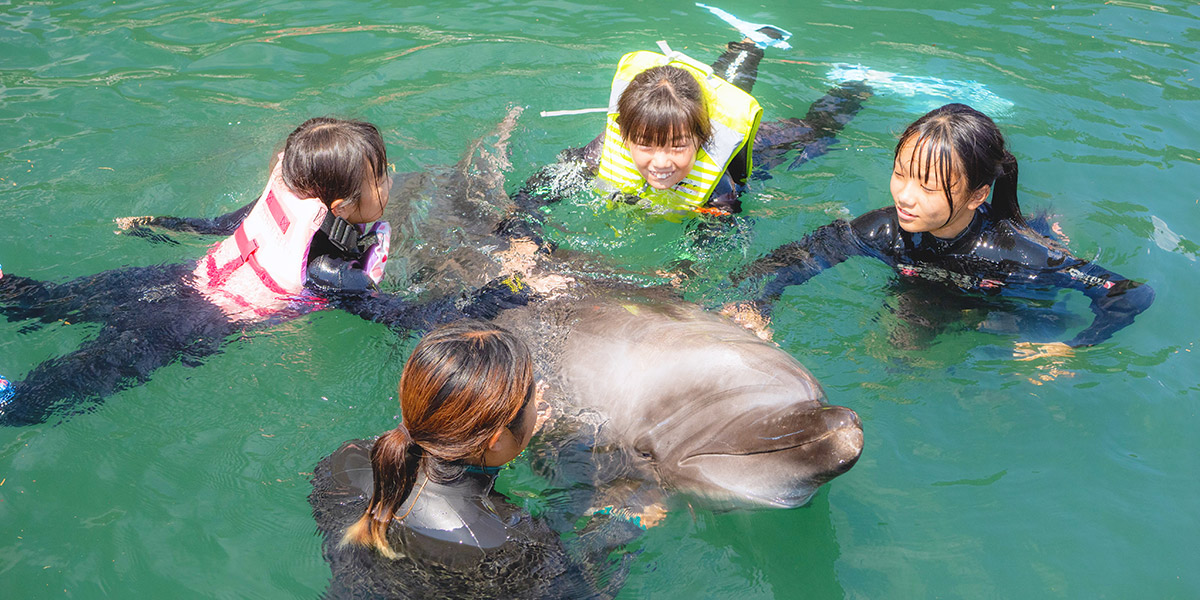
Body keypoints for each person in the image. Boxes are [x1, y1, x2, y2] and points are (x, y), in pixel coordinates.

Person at [0, 118, 530, 425]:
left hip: (167, 280)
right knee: (65, 387)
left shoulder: (282, 210)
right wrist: (510, 287)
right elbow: (414, 318)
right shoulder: (327, 269)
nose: (390, 182)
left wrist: (154, 226)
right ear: (343, 205)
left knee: (46, 301)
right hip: (182, 326)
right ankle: (12, 401)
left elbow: (219, 225)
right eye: (381, 178)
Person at [727, 103, 1155, 355]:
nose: (905, 197)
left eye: (928, 187)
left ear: (977, 195)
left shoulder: (1020, 254)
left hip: (1005, 302)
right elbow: (790, 260)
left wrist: (1072, 348)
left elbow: (1129, 294)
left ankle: (1048, 224)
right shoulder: (884, 229)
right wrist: (758, 301)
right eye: (900, 174)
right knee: (898, 356)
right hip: (925, 289)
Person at [309, 320, 638, 599]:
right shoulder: (510, 544)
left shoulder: (346, 460)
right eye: (532, 396)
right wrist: (620, 532)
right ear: (494, 440)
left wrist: (515, 434)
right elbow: (585, 593)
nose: (541, 397)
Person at [512, 19, 872, 221]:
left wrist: (681, 272)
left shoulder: (719, 189)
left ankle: (857, 85)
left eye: (678, 146)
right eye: (646, 145)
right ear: (625, 136)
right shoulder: (599, 154)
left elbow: (716, 243)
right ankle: (750, 43)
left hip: (758, 150)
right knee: (717, 90)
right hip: (683, 118)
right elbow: (533, 195)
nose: (661, 163)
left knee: (812, 132)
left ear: (701, 139)